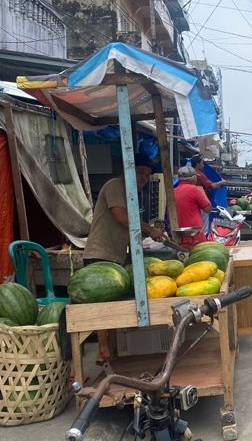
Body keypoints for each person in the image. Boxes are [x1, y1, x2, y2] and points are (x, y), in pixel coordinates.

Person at [83, 153, 166, 364]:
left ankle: (109, 349)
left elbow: (132, 223)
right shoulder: (115, 185)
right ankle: (102, 350)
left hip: (116, 253)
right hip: (100, 252)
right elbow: (121, 217)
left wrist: (147, 233)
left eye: (147, 175)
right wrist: (149, 229)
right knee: (103, 304)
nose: (144, 178)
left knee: (111, 302)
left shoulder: (131, 192)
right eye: (141, 172)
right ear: (129, 170)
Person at [174, 165, 212, 249]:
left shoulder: (173, 191)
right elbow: (208, 209)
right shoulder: (195, 190)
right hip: (194, 234)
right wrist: (202, 191)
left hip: (178, 234)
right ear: (194, 178)